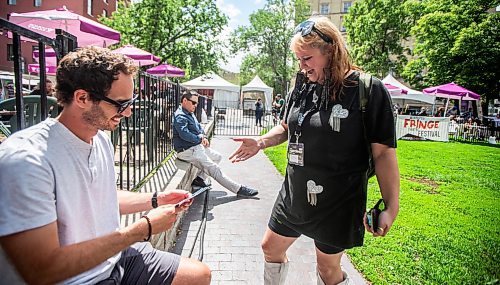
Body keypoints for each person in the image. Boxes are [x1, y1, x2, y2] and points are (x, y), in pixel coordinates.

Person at [0, 47, 211, 285]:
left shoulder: (100, 138)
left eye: (131, 101)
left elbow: (101, 196)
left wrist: (157, 198)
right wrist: (143, 228)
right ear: (82, 98)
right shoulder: (27, 160)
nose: (129, 111)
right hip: (74, 279)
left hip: (113, 258)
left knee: (198, 275)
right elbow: (42, 270)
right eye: (121, 103)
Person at [229, 16, 400, 285]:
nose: (302, 66)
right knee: (270, 248)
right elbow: (286, 127)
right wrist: (261, 142)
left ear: (330, 51)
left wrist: (391, 206)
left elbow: (383, 153)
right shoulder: (302, 85)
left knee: (327, 269)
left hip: (338, 199)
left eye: (306, 58)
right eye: (298, 59)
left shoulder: (368, 90)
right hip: (295, 193)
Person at [173, 90, 258, 197]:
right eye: (193, 102)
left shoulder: (189, 112)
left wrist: (203, 136)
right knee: (214, 168)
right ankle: (239, 189)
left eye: (197, 103)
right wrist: (199, 139)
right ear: (184, 100)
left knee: (217, 157)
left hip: (195, 147)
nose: (195, 105)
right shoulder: (180, 116)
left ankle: (200, 179)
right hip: (187, 150)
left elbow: (198, 127)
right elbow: (184, 134)